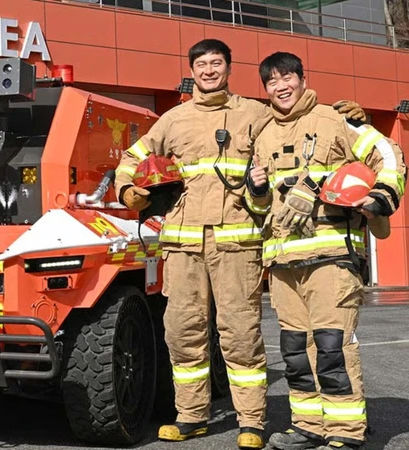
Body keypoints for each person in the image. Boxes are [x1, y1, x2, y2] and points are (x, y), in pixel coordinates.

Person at [113, 39, 366, 450]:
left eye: (216, 63)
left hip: (238, 246)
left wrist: (346, 116)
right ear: (191, 71)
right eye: (201, 64)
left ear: (229, 69)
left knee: (241, 335)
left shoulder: (256, 113)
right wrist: (128, 189)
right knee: (182, 334)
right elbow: (131, 157)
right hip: (183, 247)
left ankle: (251, 420)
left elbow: (298, 119)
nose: (209, 70)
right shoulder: (172, 120)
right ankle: (191, 415)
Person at [246, 52, 405, 450]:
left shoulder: (337, 119)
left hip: (332, 257)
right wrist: (259, 189)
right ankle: (308, 427)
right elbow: (261, 208)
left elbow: (387, 155)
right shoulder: (263, 135)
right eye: (272, 82)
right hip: (283, 263)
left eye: (287, 78)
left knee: (331, 347)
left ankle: (346, 432)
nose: (280, 87)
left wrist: (380, 198)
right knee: (296, 352)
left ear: (302, 78)